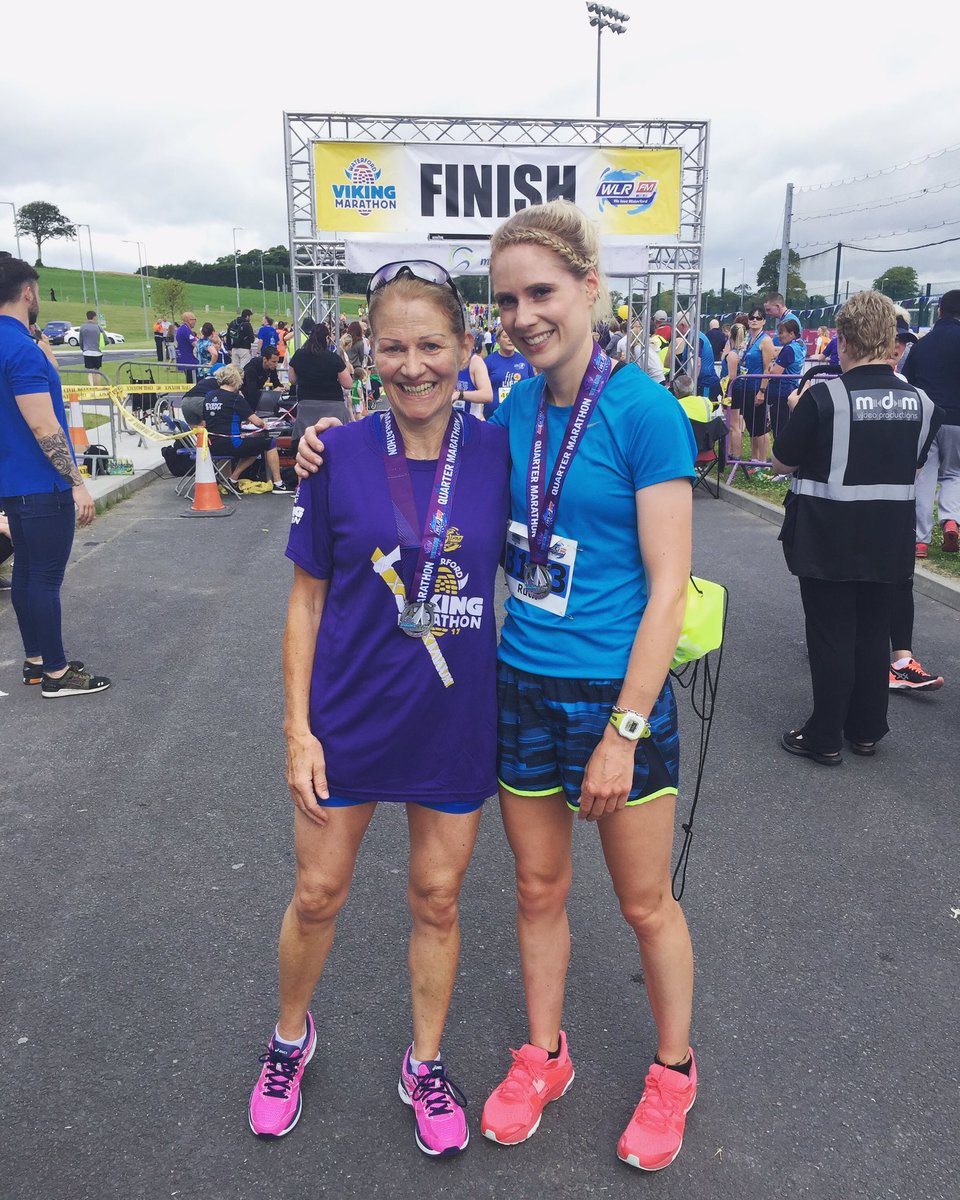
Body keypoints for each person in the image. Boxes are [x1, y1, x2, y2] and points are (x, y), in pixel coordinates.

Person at [296, 204, 700, 1172]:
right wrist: (324, 449)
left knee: (647, 904)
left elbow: (671, 587)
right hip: (519, 682)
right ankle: (544, 1055)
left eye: (543, 294)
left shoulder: (644, 411)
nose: (525, 316)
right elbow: (416, 454)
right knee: (535, 889)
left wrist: (624, 729)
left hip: (616, 695)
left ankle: (674, 1070)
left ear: (591, 288)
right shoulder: (513, 414)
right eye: (510, 299)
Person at [248, 259, 510, 1158]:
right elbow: (306, 599)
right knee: (318, 894)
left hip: (453, 721)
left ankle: (425, 1063)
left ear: (464, 350)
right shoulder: (338, 454)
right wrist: (296, 729)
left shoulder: (502, 451)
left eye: (431, 345)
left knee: (438, 900)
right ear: (369, 353)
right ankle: (290, 1040)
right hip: (347, 719)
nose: (413, 365)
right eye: (392, 346)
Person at [771, 290, 940, 764]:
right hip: (891, 537)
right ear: (892, 341)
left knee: (830, 635)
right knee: (872, 632)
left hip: (829, 533)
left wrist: (793, 411)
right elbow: (913, 464)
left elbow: (782, 462)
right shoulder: (923, 403)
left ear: (842, 341)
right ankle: (866, 729)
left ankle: (824, 734)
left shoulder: (825, 396)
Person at [0, 256, 110, 696]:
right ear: (28, 292)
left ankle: (36, 659)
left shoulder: (20, 345)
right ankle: (58, 674)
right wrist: (76, 482)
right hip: (42, 483)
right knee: (44, 578)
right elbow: (44, 425)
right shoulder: (21, 351)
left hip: (12, 483)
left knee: (27, 573)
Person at [904, 290, 960, 558]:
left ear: (939, 311)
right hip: (958, 420)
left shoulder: (921, 346)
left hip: (927, 419)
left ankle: (920, 539)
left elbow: (908, 383)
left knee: (924, 476)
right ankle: (950, 520)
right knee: (954, 474)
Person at [202, 364, 293, 493]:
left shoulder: (209, 395)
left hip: (211, 444)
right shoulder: (235, 399)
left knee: (254, 446)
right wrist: (264, 424)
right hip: (232, 444)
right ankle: (278, 483)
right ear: (236, 380)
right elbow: (257, 422)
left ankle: (232, 480)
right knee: (269, 442)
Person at [287, 323, 353, 437]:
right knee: (337, 439)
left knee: (306, 441)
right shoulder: (333, 358)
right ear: (326, 339)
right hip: (333, 407)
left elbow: (292, 380)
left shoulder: (299, 355)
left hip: (306, 406)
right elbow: (348, 384)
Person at [730, 306, 776, 468]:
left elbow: (768, 367)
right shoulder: (748, 339)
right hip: (746, 387)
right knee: (751, 426)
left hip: (758, 387)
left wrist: (762, 391)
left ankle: (763, 462)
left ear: (763, 321)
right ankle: (755, 459)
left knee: (761, 428)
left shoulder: (765, 340)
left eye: (758, 318)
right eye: (752, 317)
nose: (754, 320)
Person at [766, 318, 804, 439]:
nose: (778, 336)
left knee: (779, 430)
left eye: (781, 332)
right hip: (791, 390)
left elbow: (775, 373)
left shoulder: (788, 349)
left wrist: (771, 365)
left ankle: (780, 455)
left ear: (792, 334)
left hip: (781, 393)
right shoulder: (800, 345)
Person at [484, 327, 534, 418]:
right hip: (494, 416)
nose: (510, 340)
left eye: (512, 336)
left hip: (520, 414)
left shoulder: (524, 360)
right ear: (498, 339)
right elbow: (480, 389)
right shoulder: (488, 361)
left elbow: (532, 387)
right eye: (506, 337)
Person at [720, 321, 746, 449]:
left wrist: (723, 384)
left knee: (734, 425)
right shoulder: (735, 353)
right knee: (731, 424)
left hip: (732, 391)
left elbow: (732, 377)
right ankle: (730, 451)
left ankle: (735, 454)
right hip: (732, 390)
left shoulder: (732, 355)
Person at [455, 345, 493, 419]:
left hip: (469, 422)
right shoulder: (443, 361)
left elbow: (487, 395)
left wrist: (459, 395)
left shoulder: (475, 361)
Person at [241, 345, 283, 411]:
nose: (276, 365)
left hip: (257, 394)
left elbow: (276, 383)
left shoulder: (271, 367)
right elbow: (252, 392)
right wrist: (272, 392)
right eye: (273, 362)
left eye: (277, 361)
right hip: (246, 398)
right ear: (265, 359)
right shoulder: (251, 368)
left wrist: (283, 389)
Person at [78, 309, 104, 386]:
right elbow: (105, 339)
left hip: (87, 351)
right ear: (94, 317)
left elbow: (81, 341)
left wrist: (83, 349)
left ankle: (91, 387)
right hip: (97, 351)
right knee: (97, 371)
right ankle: (98, 386)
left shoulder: (82, 327)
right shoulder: (98, 327)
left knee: (90, 371)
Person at [175, 311, 198, 383]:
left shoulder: (181, 329)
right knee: (192, 381)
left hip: (183, 359)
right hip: (188, 360)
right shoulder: (186, 330)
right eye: (194, 319)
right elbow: (195, 343)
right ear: (188, 320)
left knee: (190, 380)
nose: (195, 321)